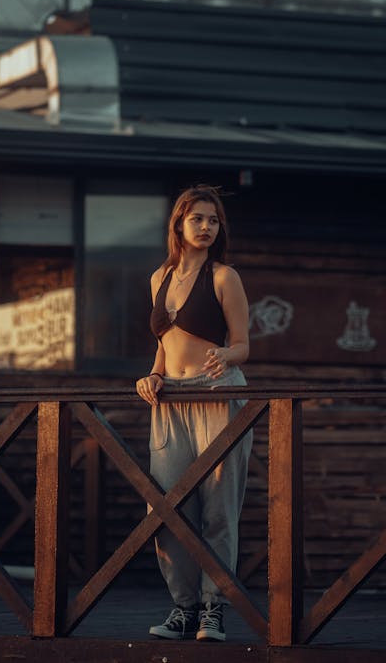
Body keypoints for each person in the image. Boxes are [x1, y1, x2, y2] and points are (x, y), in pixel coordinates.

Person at [136, 184, 253, 643]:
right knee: (164, 508)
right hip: (170, 402)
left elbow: (244, 345)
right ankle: (183, 609)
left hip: (218, 394)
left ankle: (212, 610)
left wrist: (227, 355)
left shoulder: (225, 277)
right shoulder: (158, 277)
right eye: (198, 219)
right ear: (179, 225)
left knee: (219, 512)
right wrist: (151, 376)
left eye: (213, 220)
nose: (206, 227)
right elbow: (163, 351)